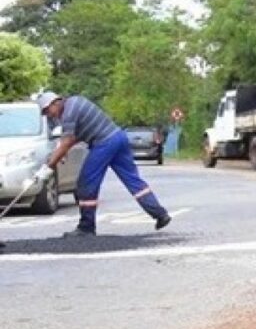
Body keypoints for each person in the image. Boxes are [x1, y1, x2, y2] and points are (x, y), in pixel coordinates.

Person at [32, 92, 172, 237]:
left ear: (55, 102)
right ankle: (160, 214)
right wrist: (61, 153)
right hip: (119, 137)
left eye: (47, 110)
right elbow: (73, 138)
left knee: (87, 181)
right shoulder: (74, 103)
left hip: (105, 143)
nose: (48, 115)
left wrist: (48, 167)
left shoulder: (68, 112)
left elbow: (67, 141)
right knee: (133, 180)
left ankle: (86, 227)